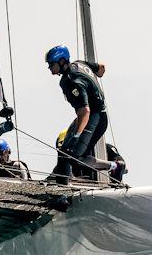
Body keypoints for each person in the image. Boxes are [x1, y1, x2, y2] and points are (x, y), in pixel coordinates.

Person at [45, 44, 125, 185]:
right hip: (95, 115)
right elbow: (101, 68)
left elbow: (85, 110)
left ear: (62, 61)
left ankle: (115, 166)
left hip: (93, 118)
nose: (50, 68)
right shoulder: (79, 64)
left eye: (51, 64)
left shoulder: (70, 80)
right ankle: (61, 187)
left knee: (75, 158)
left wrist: (76, 135)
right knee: (64, 152)